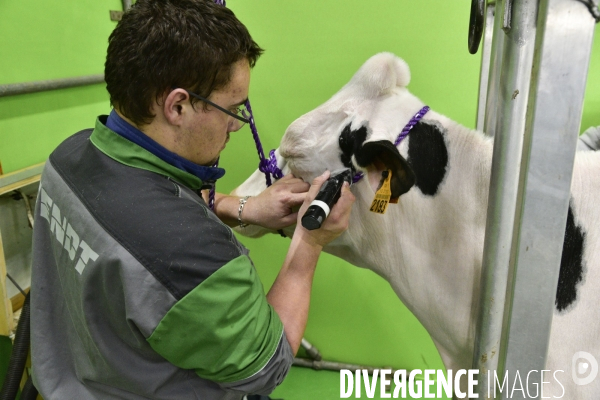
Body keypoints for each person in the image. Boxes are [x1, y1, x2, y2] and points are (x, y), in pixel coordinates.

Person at [30, 1, 355, 399]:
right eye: (232, 109)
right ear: (177, 105)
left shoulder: (66, 159)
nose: (237, 125)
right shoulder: (190, 253)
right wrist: (309, 242)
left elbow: (140, 230)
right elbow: (268, 365)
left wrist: (242, 209)